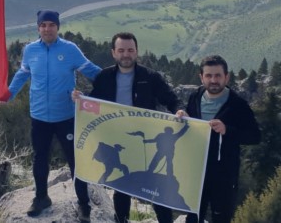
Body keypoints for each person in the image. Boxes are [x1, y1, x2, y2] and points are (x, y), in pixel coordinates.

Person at [74, 32, 180, 223]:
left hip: (144, 142)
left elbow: (170, 99)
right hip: (118, 141)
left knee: (155, 188)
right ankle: (121, 220)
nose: (126, 54)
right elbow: (94, 104)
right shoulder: (104, 77)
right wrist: (81, 100)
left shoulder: (150, 77)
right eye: (121, 50)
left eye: (130, 50)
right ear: (113, 53)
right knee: (122, 188)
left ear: (136, 52)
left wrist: (180, 110)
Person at [7, 10, 101, 221]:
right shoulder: (30, 50)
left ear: (58, 27)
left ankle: (83, 204)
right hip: (39, 117)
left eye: (51, 25)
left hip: (66, 116)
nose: (47, 29)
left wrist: (107, 88)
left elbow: (95, 73)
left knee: (75, 161)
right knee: (40, 159)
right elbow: (22, 73)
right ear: (38, 28)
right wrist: (8, 94)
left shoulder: (70, 49)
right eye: (43, 25)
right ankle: (41, 198)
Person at [176, 55, 261, 223]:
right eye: (208, 76)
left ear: (226, 77)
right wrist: (183, 116)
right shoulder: (195, 97)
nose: (213, 80)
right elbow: (192, 123)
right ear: (201, 77)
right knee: (192, 216)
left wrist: (227, 130)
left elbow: (255, 136)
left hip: (224, 175)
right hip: (196, 171)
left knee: (221, 217)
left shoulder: (238, 105)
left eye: (218, 76)